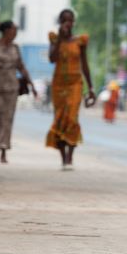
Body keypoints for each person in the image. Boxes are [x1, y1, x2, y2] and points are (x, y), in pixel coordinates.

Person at [0, 20, 37, 163]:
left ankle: (3, 149)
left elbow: (21, 67)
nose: (15, 34)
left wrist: (32, 85)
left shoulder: (15, 48)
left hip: (11, 88)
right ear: (6, 31)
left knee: (7, 119)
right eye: (13, 31)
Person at [46, 9, 96, 170]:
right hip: (58, 85)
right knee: (60, 119)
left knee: (72, 119)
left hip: (75, 83)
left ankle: (70, 157)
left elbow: (85, 65)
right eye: (64, 21)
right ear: (60, 23)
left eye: (70, 20)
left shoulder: (80, 41)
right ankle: (62, 158)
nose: (68, 23)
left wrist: (91, 88)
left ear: (73, 22)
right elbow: (52, 59)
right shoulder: (54, 39)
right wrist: (60, 39)